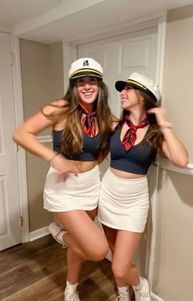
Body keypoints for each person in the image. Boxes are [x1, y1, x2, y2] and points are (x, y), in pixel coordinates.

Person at [12, 57, 116, 301]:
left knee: (78, 246)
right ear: (73, 86)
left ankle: (71, 287)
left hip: (90, 185)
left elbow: (108, 147)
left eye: (92, 81)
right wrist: (53, 158)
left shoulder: (106, 116)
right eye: (81, 82)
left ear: (100, 86)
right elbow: (21, 134)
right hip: (63, 187)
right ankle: (57, 232)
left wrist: (93, 163)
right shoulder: (60, 108)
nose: (87, 86)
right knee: (98, 249)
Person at [98, 72, 189, 301]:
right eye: (122, 89)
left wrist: (164, 123)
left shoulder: (155, 133)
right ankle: (122, 293)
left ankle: (140, 285)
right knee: (116, 255)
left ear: (143, 97)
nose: (122, 92)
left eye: (128, 89)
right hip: (107, 196)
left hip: (133, 203)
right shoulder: (115, 124)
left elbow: (181, 160)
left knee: (120, 266)